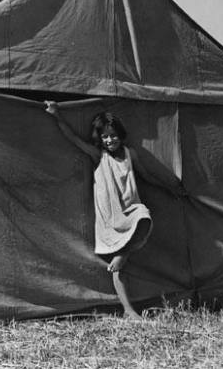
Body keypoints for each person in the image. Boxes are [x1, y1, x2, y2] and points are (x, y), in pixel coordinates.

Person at [45, 101, 184, 319]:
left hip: (129, 209)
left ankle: (123, 254)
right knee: (119, 268)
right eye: (105, 137)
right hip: (110, 216)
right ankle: (129, 310)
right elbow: (73, 140)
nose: (110, 140)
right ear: (99, 139)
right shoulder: (98, 155)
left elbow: (146, 176)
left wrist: (169, 188)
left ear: (120, 134)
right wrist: (56, 115)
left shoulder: (130, 154)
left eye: (113, 135)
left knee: (144, 217)